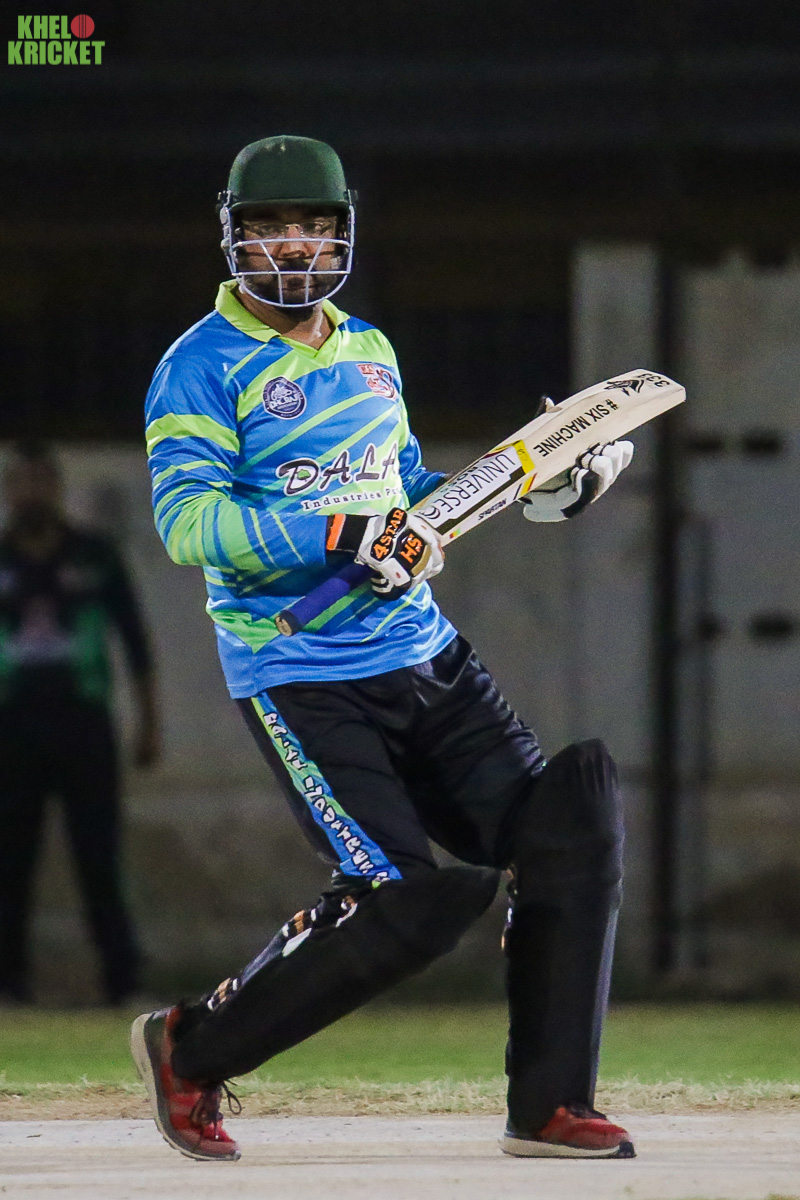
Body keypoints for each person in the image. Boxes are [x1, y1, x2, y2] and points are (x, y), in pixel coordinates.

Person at [132, 135, 636, 1163]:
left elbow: (410, 503)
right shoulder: (198, 367)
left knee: (571, 822)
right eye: (271, 227)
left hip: (425, 654)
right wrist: (337, 534)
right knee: (399, 900)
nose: (293, 246)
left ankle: (548, 1107)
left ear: (343, 232)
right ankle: (190, 1049)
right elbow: (188, 526)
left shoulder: (369, 349)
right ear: (233, 236)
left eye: (313, 226)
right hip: (302, 674)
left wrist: (548, 493)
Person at [0, 441, 159, 1006]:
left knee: (98, 855)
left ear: (57, 488)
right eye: (22, 483)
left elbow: (135, 641)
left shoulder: (94, 555)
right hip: (12, 727)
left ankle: (122, 982)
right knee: (11, 857)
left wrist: (149, 723)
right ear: (10, 490)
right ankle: (9, 984)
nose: (32, 493)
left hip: (83, 724)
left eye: (42, 481)